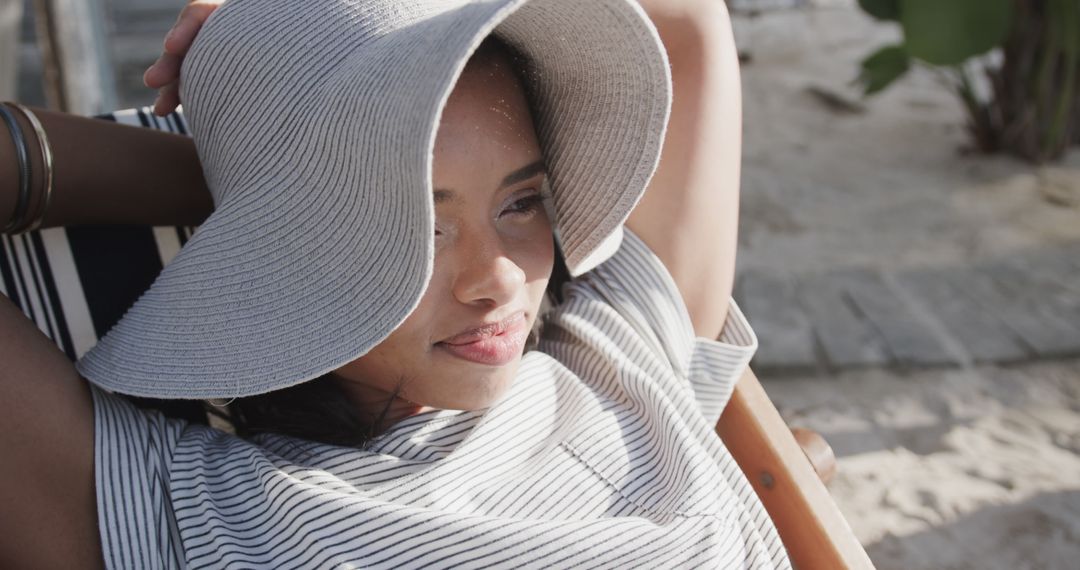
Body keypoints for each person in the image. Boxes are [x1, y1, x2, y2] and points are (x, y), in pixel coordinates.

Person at [0, 0, 788, 568]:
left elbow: (684, 21)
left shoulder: (614, 352)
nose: (500, 279)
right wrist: (232, 182)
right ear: (275, 259)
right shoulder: (186, 513)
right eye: (416, 226)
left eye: (521, 202)